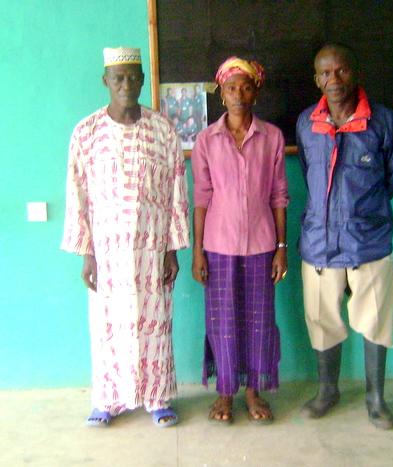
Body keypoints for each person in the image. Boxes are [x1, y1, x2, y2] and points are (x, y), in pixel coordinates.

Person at [61, 47, 190, 427]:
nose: (126, 85)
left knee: (155, 324)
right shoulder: (86, 133)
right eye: (118, 78)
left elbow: (176, 191)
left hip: (152, 250)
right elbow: (76, 194)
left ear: (143, 80)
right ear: (106, 81)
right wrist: (87, 254)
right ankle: (107, 401)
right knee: (108, 327)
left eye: (133, 77)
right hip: (108, 253)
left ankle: (158, 399)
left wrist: (172, 250)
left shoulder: (163, 130)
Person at [296, 44, 393, 429]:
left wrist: (363, 214)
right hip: (320, 243)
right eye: (325, 73)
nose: (334, 80)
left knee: (376, 319)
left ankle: (376, 399)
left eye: (341, 71)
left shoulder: (383, 122)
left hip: (368, 242)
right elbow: (308, 171)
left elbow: (392, 176)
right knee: (321, 319)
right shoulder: (307, 123)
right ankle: (328, 391)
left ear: (355, 73)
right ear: (317, 79)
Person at [191, 57, 289, 424]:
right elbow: (202, 198)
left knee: (259, 321)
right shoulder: (206, 140)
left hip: (262, 246)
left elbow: (279, 196)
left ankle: (253, 392)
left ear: (255, 93)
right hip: (218, 247)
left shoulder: (272, 137)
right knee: (223, 322)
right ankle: (225, 392)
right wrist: (198, 252)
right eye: (231, 88)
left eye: (246, 87)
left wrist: (281, 248)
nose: (238, 95)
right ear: (221, 94)